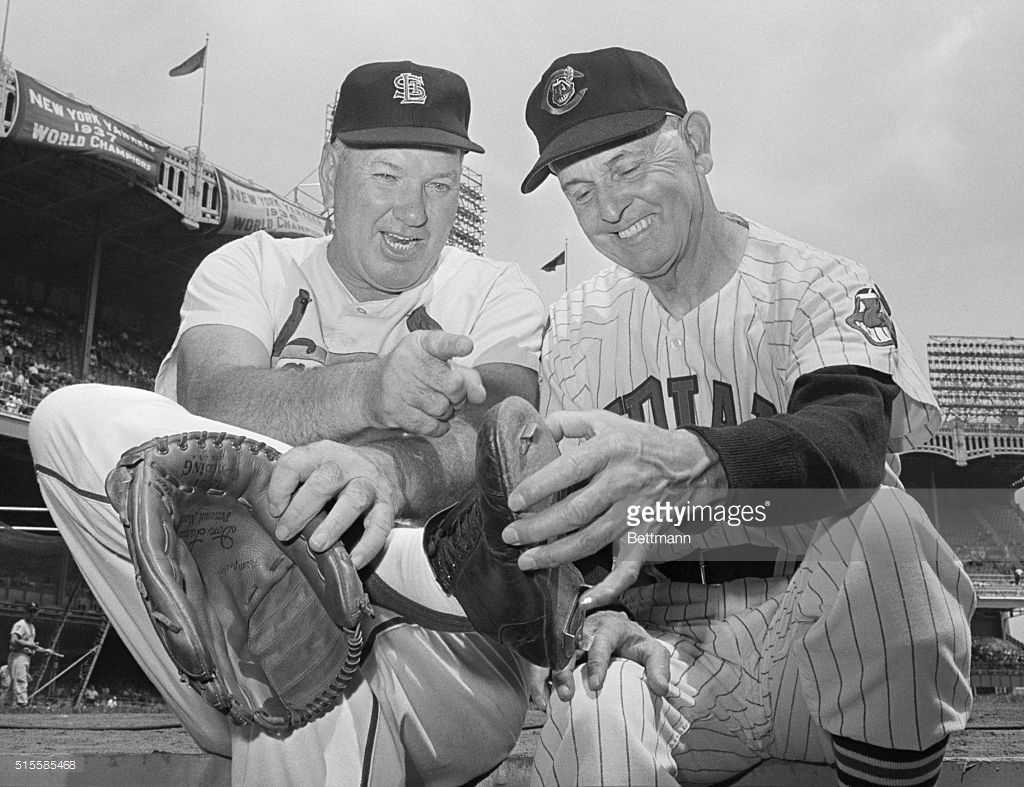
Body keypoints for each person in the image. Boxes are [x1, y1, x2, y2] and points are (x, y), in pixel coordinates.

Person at [30, 60, 547, 786]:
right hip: (229, 644)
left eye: (439, 184)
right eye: (388, 176)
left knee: (295, 628)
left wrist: (387, 470)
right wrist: (370, 393)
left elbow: (495, 440)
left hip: (445, 663)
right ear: (332, 166)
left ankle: (311, 584)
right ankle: (297, 586)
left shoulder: (494, 290)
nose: (415, 212)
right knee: (68, 418)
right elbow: (211, 398)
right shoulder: (253, 266)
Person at [508, 47, 974, 787]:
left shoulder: (817, 281)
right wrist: (591, 612)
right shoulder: (572, 326)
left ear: (697, 141)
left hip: (816, 637)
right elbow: (573, 530)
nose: (609, 208)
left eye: (628, 169)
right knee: (598, 699)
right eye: (579, 191)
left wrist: (698, 462)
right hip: (673, 661)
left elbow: (850, 439)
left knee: (884, 519)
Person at [5, 602, 39, 708]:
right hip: (17, 655)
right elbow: (13, 640)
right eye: (30, 611)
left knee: (13, 683)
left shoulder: (32, 627)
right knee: (20, 680)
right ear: (26, 612)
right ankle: (22, 704)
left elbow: (31, 645)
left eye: (34, 611)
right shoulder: (21, 624)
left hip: (25, 656)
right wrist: (30, 645)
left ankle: (6, 705)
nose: (32, 614)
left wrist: (45, 650)